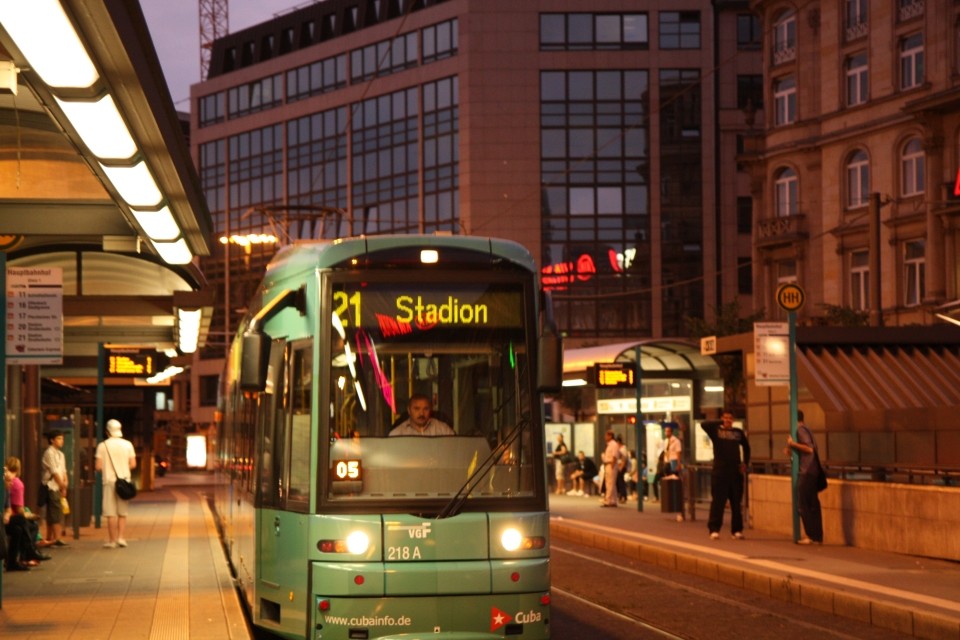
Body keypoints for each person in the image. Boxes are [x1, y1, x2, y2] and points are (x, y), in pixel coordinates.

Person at [703, 410, 751, 540]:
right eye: (725, 418)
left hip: (735, 473)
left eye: (730, 418)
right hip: (720, 472)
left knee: (736, 503)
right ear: (722, 418)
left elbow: (746, 447)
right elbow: (704, 424)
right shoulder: (716, 432)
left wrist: (745, 463)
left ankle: (736, 530)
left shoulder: (738, 433)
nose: (728, 420)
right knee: (718, 502)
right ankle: (714, 529)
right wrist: (720, 423)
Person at [95, 419, 137, 549]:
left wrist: (108, 469)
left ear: (107, 431)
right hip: (124, 482)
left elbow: (98, 466)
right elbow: (133, 464)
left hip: (109, 482)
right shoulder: (128, 444)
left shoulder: (103, 446)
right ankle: (121, 538)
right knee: (122, 512)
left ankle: (112, 540)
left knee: (110, 513)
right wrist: (123, 470)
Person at [4, 457, 49, 571]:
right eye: (8, 480)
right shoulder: (17, 484)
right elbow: (18, 510)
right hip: (5, 519)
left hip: (7, 519)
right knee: (25, 521)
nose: (11, 483)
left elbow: (8, 507)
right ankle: (30, 551)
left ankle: (12, 563)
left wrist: (7, 514)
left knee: (18, 530)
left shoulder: (8, 489)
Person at [785, 410, 824, 545]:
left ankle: (811, 535)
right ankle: (817, 536)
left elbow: (809, 449)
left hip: (806, 472)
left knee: (803, 504)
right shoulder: (808, 430)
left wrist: (792, 444)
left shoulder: (800, 430)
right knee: (813, 504)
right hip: (812, 471)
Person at [40, 429, 69, 547]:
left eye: (62, 438)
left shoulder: (61, 454)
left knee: (54, 511)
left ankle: (50, 538)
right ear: (52, 440)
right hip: (51, 486)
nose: (61, 441)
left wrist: (65, 484)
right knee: (56, 511)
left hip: (59, 486)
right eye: (59, 438)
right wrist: (62, 485)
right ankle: (57, 538)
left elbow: (63, 470)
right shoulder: (49, 453)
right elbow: (54, 471)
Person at [389, 394, 454, 436]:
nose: (421, 413)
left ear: (430, 410)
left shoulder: (444, 430)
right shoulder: (397, 434)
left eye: (426, 409)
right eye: (416, 409)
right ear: (409, 410)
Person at [664, 425, 684, 521]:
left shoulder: (676, 441)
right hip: (668, 462)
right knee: (668, 482)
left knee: (677, 484)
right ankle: (671, 504)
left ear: (671, 432)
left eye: (668, 431)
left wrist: (679, 464)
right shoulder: (666, 441)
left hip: (674, 462)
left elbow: (678, 453)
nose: (666, 433)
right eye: (665, 431)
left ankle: (680, 511)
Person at [599, 430, 620, 507]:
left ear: (610, 436)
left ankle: (608, 500)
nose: (605, 437)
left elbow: (614, 456)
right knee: (612, 484)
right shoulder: (609, 445)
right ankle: (613, 500)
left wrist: (612, 465)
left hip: (611, 464)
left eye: (606, 435)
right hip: (608, 464)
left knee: (610, 483)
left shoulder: (613, 445)